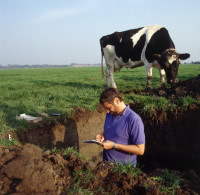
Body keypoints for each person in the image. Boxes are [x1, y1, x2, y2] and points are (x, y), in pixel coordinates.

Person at [96, 88, 145, 166]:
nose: (107, 111)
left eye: (108, 108)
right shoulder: (109, 115)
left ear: (117, 101)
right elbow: (117, 133)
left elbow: (140, 150)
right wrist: (103, 136)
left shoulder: (134, 119)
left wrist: (114, 146)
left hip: (124, 171)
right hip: (106, 168)